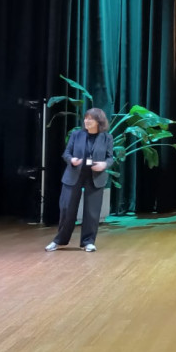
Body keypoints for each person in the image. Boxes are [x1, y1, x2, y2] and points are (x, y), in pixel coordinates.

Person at [46, 108, 115, 253]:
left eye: (90, 119)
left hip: (95, 177)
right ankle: (59, 241)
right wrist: (72, 160)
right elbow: (66, 153)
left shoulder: (107, 137)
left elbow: (110, 157)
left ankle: (88, 242)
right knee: (67, 209)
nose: (86, 121)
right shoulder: (76, 134)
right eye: (86, 118)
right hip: (74, 175)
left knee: (92, 212)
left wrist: (104, 164)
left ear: (99, 122)